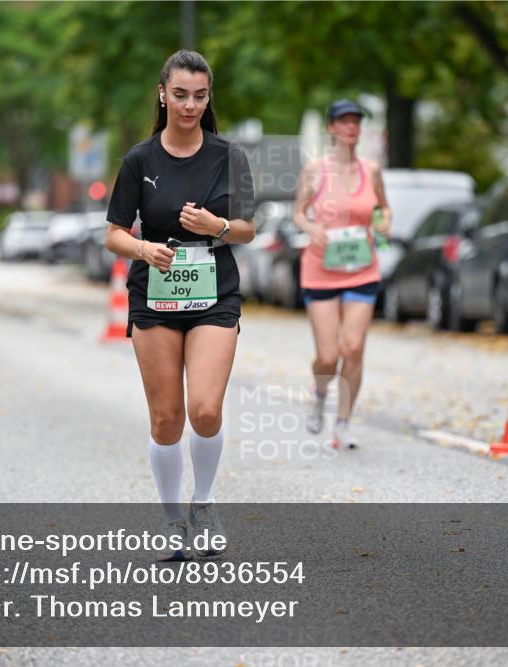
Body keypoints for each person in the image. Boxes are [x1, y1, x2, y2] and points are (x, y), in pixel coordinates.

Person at [104, 50, 256, 561]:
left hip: (215, 293)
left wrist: (216, 227)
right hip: (156, 294)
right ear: (162, 94)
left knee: (206, 409)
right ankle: (172, 519)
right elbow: (113, 235)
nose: (190, 105)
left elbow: (248, 229)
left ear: (209, 97)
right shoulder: (139, 160)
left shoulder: (229, 156)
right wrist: (145, 248)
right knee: (167, 419)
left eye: (201, 95)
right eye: (181, 94)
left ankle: (204, 503)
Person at [292, 99, 392, 449]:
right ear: (331, 128)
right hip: (321, 270)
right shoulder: (315, 171)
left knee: (354, 347)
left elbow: (382, 209)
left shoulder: (372, 170)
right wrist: (311, 228)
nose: (351, 127)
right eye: (344, 121)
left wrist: (385, 224)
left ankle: (344, 422)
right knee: (328, 356)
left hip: (362, 268)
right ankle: (320, 392)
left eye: (356, 122)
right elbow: (298, 213)